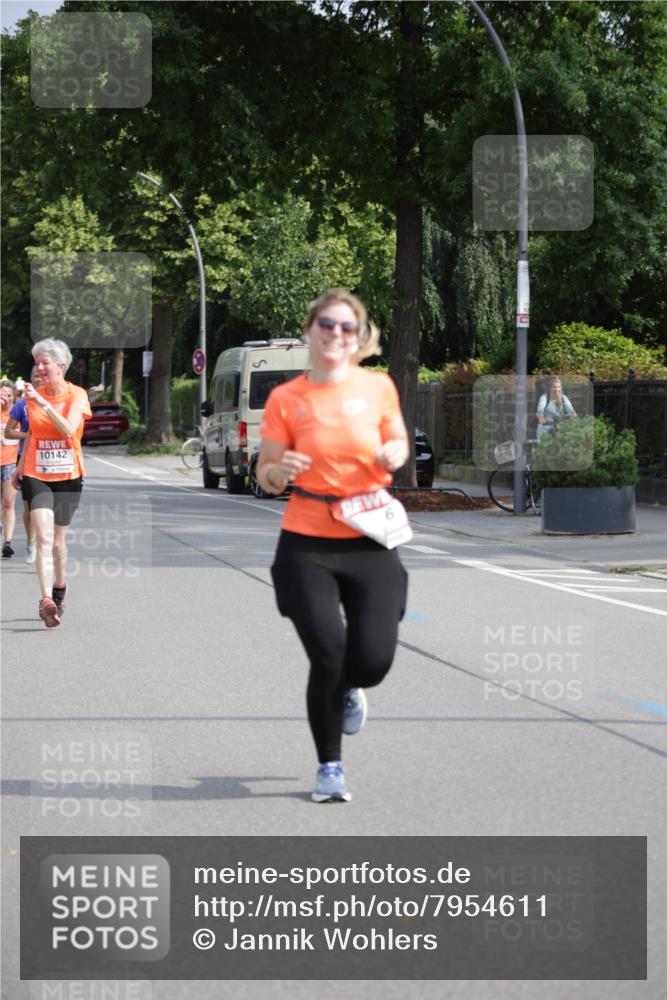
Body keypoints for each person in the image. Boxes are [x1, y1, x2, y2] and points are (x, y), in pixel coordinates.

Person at [257, 290, 409, 803]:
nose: (337, 334)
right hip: (307, 544)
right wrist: (281, 470)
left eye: (348, 327)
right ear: (310, 330)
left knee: (372, 660)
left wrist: (394, 451)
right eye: (328, 324)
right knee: (328, 654)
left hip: (369, 536)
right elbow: (267, 475)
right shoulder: (286, 399)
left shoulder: (379, 387)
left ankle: (351, 686)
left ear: (359, 337)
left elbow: (400, 445)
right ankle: (329, 768)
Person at [12, 339, 91, 628]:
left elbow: (69, 429)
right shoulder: (33, 397)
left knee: (58, 542)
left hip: (69, 476)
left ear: (61, 365)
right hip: (37, 474)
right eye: (37, 362)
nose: (40, 368)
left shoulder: (76, 395)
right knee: (43, 538)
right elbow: (33, 433)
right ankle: (45, 599)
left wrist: (44, 403)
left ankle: (59, 589)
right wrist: (20, 467)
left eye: (45, 362)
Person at [4, 367, 42, 563]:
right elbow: (9, 432)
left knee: (46, 507)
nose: (40, 379)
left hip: (49, 462)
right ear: (31, 380)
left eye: (43, 376)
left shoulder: (58, 404)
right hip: (25, 459)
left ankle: (47, 543)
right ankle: (30, 542)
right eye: (36, 376)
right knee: (29, 508)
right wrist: (27, 435)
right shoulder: (23, 404)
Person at [1, 379, 20, 558]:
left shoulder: (16, 413)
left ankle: (7, 541)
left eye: (8, 395)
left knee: (8, 502)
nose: (5, 398)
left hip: (10, 463)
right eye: (2, 395)